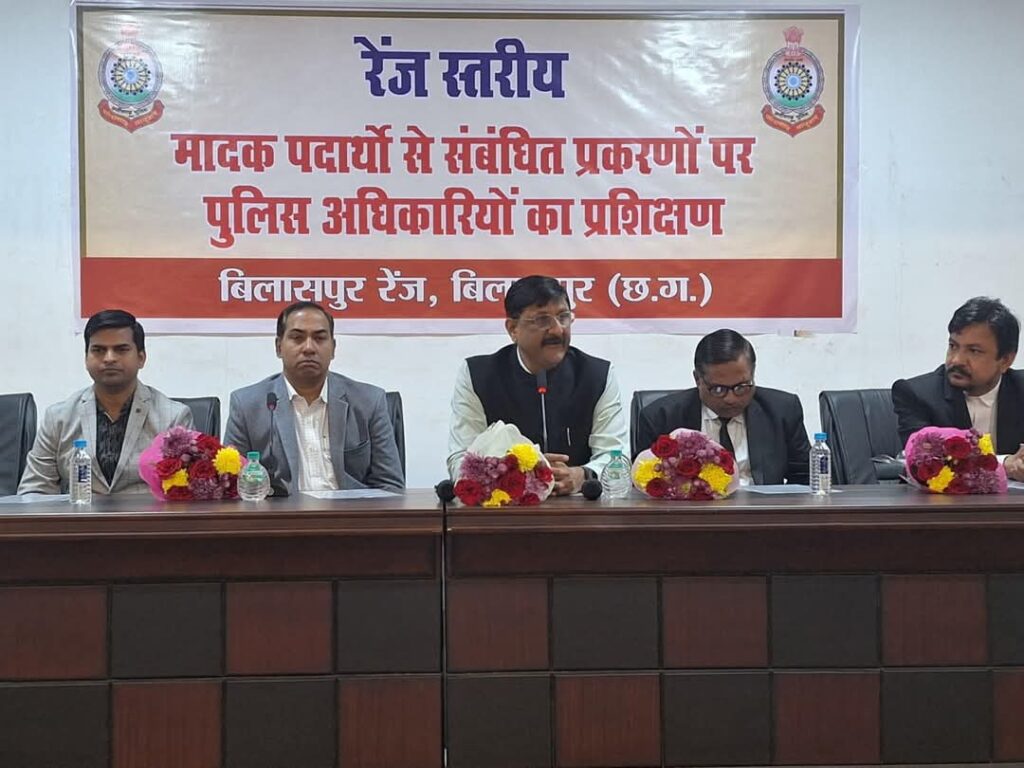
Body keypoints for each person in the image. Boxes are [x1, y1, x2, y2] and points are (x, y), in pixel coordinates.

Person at [447, 275, 628, 495]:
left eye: (563, 317)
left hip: (581, 508)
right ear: (513, 328)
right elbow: (461, 460)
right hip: (504, 508)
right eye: (542, 320)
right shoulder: (478, 376)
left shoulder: (596, 375)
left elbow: (616, 455)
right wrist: (515, 475)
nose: (557, 330)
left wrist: (584, 475)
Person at [223, 301, 404, 495]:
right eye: (297, 338)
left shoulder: (369, 401)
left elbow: (390, 485)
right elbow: (230, 486)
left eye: (319, 338)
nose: (309, 348)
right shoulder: (248, 406)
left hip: (352, 511)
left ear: (333, 348)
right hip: (282, 513)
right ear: (278, 347)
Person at [19, 309, 193, 495]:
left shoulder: (173, 418)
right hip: (79, 514)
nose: (109, 358)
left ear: (141, 358)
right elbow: (34, 491)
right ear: (86, 358)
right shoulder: (58, 418)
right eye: (98, 350)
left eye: (121, 349)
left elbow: (187, 494)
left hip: (146, 514)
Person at [635, 329, 811, 485]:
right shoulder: (661, 418)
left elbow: (806, 478)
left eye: (741, 387)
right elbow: (645, 484)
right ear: (698, 380)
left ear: (753, 373)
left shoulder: (782, 410)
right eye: (718, 389)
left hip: (764, 510)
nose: (731, 399)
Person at [892, 296, 1024, 479]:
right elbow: (924, 463)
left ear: (1006, 360)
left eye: (974, 351)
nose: (956, 360)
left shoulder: (1020, 389)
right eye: (953, 346)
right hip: (943, 497)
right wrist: (1004, 465)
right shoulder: (917, 395)